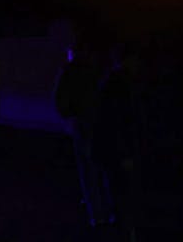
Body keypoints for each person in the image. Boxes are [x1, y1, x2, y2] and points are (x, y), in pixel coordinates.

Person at [54, 41, 112, 228]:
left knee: (89, 170)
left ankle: (97, 213)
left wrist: (71, 114)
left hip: (83, 123)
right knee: (101, 167)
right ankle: (108, 211)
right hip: (98, 122)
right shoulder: (97, 70)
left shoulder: (71, 72)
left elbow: (61, 101)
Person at [93, 42, 144, 241]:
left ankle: (124, 231)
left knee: (120, 195)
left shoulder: (114, 83)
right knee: (124, 196)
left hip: (114, 151)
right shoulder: (119, 84)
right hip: (118, 153)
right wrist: (125, 153)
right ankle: (125, 233)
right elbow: (119, 121)